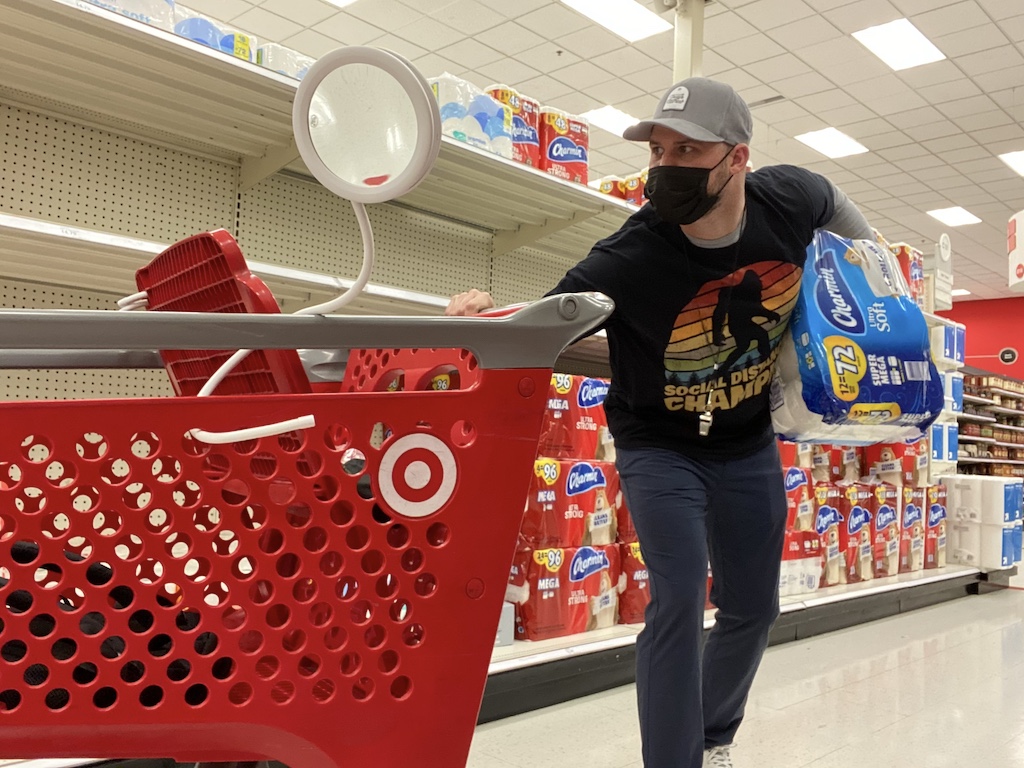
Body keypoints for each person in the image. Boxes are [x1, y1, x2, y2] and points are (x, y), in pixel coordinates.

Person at [447, 77, 874, 768]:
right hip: (659, 444)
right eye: (658, 150)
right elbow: (538, 327)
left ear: (737, 158)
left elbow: (855, 231)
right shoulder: (630, 255)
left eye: (687, 149)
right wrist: (480, 319)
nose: (665, 166)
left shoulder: (790, 200)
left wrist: (878, 288)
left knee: (753, 609)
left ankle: (711, 737)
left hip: (746, 440)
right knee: (675, 597)